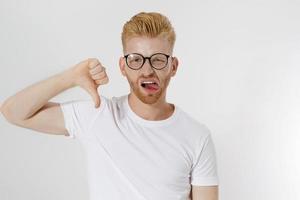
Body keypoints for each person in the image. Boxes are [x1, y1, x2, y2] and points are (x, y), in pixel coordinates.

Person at [1, 12, 219, 200]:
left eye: (158, 59)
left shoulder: (197, 136)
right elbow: (13, 112)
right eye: (136, 59)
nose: (147, 70)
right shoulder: (98, 115)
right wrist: (70, 78)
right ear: (123, 67)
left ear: (173, 66)